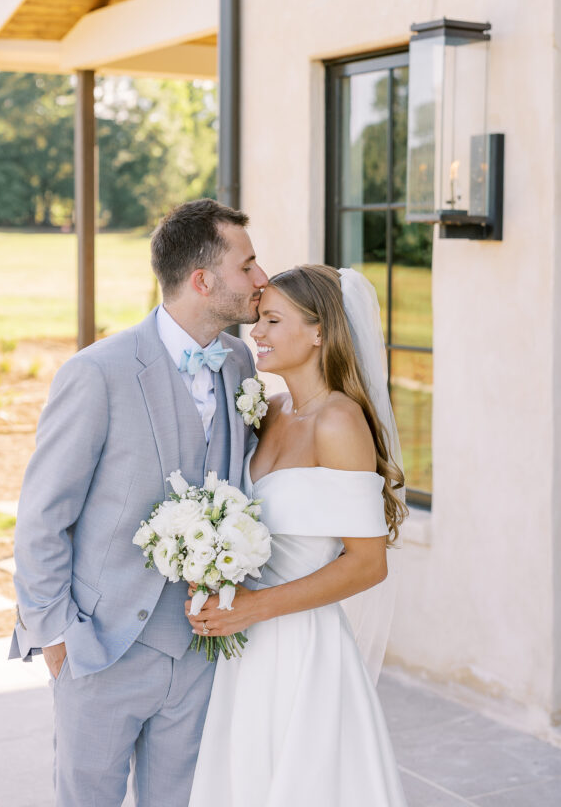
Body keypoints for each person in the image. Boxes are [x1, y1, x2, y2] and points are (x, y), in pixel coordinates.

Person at [10, 199, 268, 807]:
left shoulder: (239, 362)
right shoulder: (98, 372)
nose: (262, 279)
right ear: (203, 281)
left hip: (201, 649)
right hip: (101, 648)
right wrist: (59, 641)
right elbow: (43, 516)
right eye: (249, 265)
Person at [187, 264, 409, 807]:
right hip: (244, 645)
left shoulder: (339, 422)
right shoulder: (271, 410)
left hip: (301, 648)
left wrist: (254, 608)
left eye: (271, 319)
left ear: (319, 332)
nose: (255, 332)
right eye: (258, 319)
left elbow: (366, 563)